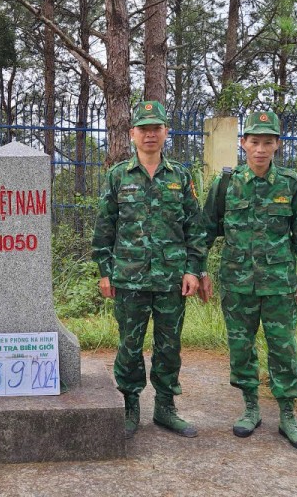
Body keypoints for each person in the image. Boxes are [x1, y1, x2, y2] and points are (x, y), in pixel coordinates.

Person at [92, 100, 211, 440]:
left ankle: (165, 407)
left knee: (169, 345)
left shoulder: (180, 176)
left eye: (156, 128)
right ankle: (131, 406)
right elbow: (105, 229)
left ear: (165, 133)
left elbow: (195, 227)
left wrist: (193, 269)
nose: (149, 134)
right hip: (129, 278)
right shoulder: (118, 177)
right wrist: (105, 270)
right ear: (132, 134)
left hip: (171, 279)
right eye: (143, 129)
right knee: (130, 344)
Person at [202, 109, 297, 451]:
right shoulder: (226, 184)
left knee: (283, 348)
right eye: (254, 141)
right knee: (241, 348)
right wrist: (200, 270)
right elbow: (206, 230)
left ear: (277, 145)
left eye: (268, 142)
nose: (261, 149)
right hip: (238, 284)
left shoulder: (291, 185)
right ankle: (251, 408)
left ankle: (287, 415)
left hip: (279, 284)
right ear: (243, 144)